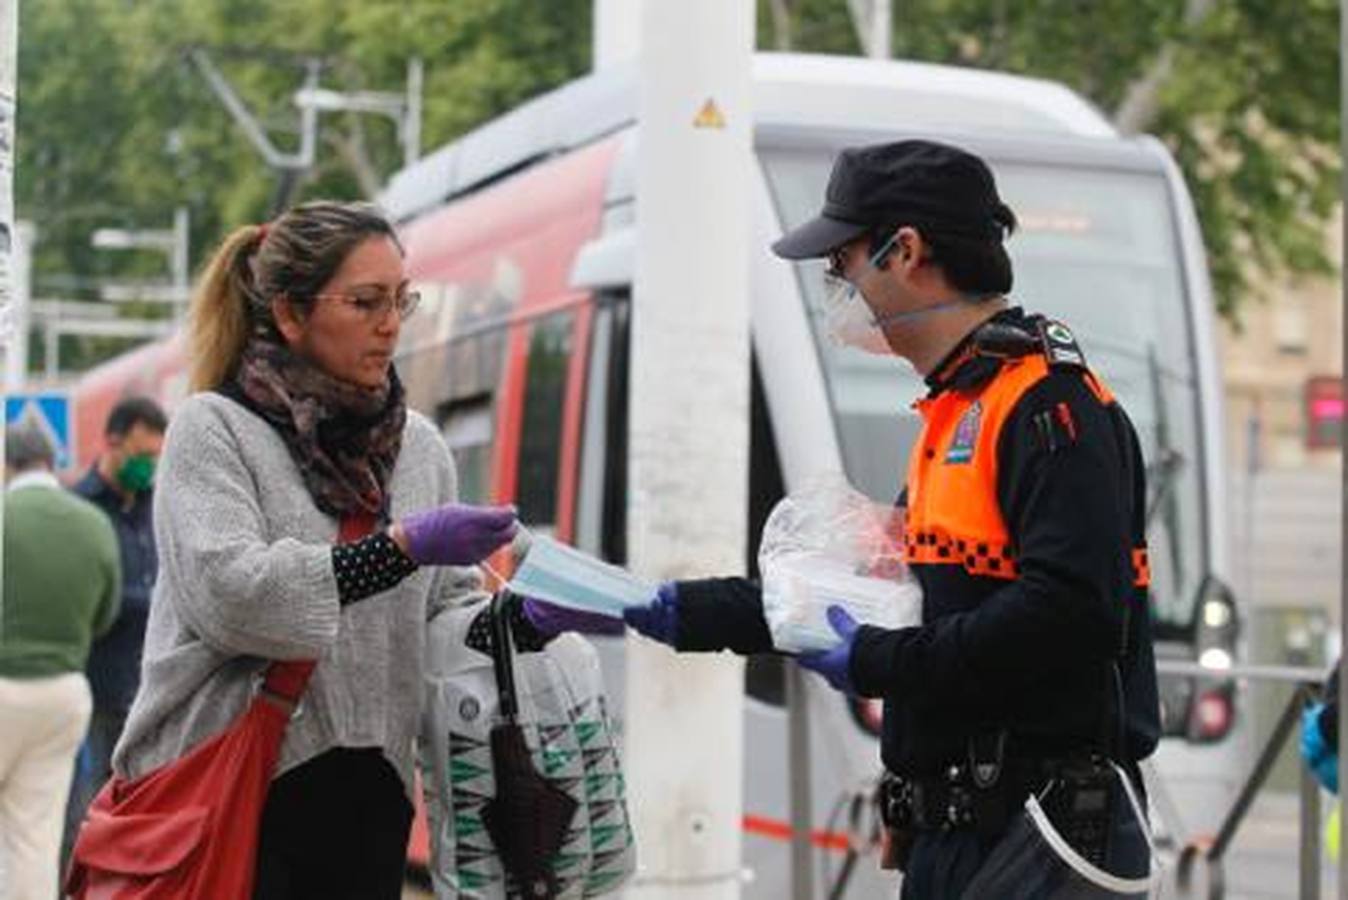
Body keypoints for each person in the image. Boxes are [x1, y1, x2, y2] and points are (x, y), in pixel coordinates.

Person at [621, 140, 1160, 897]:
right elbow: (865, 592)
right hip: (960, 839)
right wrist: (653, 606)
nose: (837, 286)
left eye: (841, 264)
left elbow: (1073, 611)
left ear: (904, 251)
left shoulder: (1050, 407)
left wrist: (881, 663)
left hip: (1033, 840)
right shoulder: (958, 406)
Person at [106, 201, 526, 900]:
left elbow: (443, 612)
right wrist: (397, 550)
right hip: (230, 787)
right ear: (290, 314)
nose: (390, 323)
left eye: (400, 299)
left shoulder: (417, 446)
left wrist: (518, 625)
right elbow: (233, 595)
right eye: (364, 303)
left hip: (371, 795)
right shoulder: (214, 430)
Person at [0, 423, 121, 900]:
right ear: (52, 462)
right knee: (34, 835)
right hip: (64, 695)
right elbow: (106, 614)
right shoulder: (94, 523)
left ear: (8, 464)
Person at [62, 395, 167, 862]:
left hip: (148, 696)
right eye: (141, 455)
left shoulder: (156, 509)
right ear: (111, 442)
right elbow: (78, 597)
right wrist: (143, 600)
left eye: (155, 457)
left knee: (139, 830)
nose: (148, 467)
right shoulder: (79, 511)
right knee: (81, 819)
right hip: (96, 692)